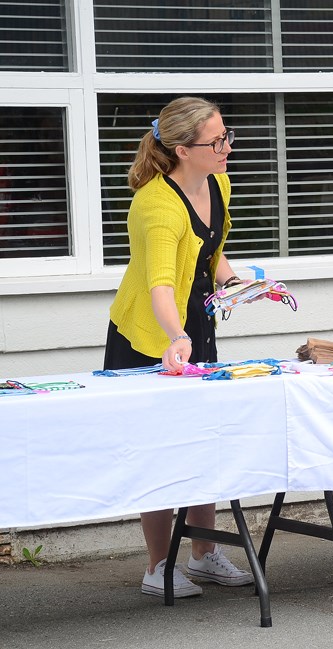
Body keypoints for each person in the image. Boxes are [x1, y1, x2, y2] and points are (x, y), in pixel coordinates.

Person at [104, 96, 253, 598]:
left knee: (203, 440)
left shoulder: (219, 182)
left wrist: (237, 283)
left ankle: (205, 553)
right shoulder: (156, 205)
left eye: (227, 134)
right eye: (217, 142)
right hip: (150, 337)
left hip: (196, 325)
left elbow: (212, 249)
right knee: (160, 450)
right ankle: (158, 565)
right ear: (184, 150)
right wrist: (178, 337)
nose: (227, 147)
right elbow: (159, 286)